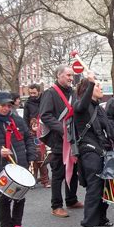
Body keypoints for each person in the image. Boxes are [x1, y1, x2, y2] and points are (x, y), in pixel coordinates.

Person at [74, 77, 114, 227]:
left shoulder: (99, 108)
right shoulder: (80, 106)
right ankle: (88, 225)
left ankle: (100, 219)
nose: (101, 88)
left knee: (104, 187)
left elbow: (110, 129)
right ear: (89, 90)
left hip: (102, 151)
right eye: (97, 86)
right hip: (89, 152)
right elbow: (82, 105)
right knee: (94, 188)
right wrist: (91, 82)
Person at [0, 92, 36, 227]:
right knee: (4, 198)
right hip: (2, 166)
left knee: (20, 197)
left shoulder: (17, 120)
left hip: (20, 165)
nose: (6, 108)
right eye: (2, 105)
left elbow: (28, 138)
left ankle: (17, 226)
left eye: (8, 105)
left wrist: (31, 158)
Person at [39, 65, 83, 218]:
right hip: (59, 139)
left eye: (72, 76)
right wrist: (63, 130)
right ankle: (56, 205)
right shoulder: (50, 93)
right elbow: (45, 115)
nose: (71, 78)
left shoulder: (72, 92)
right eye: (68, 75)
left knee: (74, 170)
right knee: (58, 174)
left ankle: (71, 199)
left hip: (72, 139)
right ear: (59, 75)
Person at [29, 118, 51, 188]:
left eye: (37, 125)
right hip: (34, 155)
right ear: (31, 127)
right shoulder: (30, 136)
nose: (36, 127)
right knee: (34, 170)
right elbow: (28, 145)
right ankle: (32, 182)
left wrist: (47, 151)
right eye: (34, 126)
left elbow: (46, 143)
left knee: (44, 170)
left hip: (42, 155)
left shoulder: (42, 134)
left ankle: (45, 182)